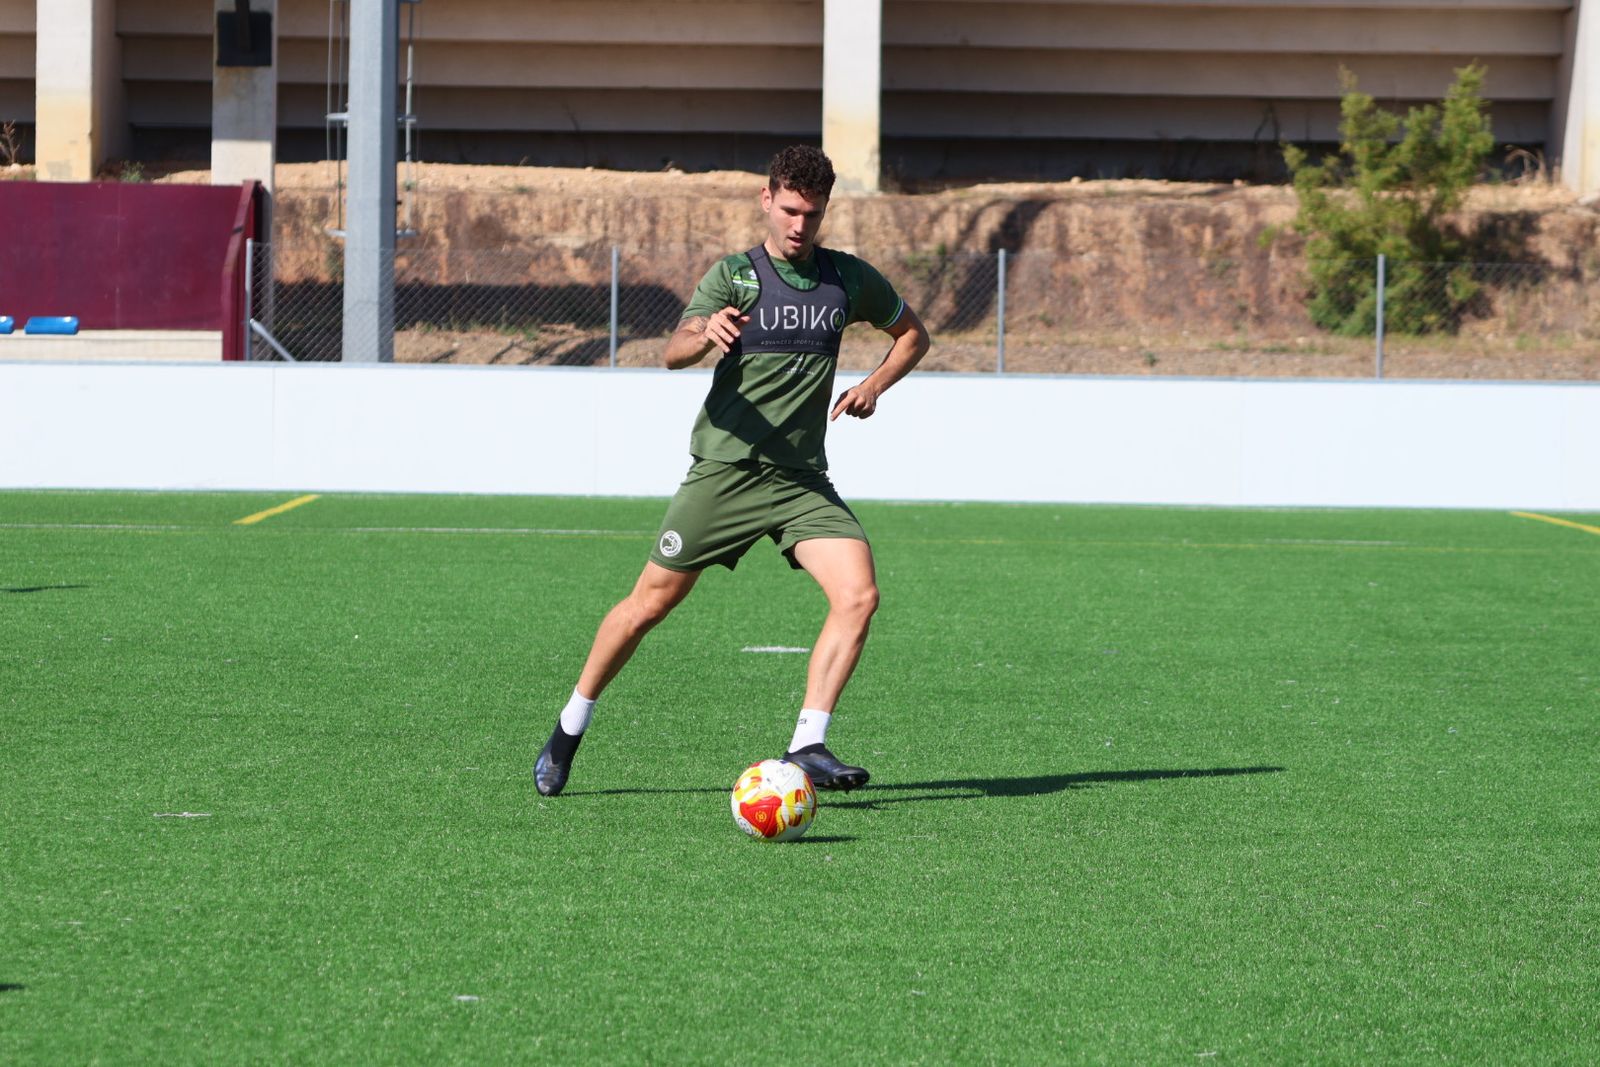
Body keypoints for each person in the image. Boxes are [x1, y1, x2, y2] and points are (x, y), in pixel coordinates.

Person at [534, 144, 930, 797]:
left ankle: (807, 742)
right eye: (790, 209)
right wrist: (705, 333)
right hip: (725, 472)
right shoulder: (735, 277)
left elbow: (912, 335)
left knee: (859, 594)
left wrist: (875, 385)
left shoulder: (848, 279)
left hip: (801, 480)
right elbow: (672, 352)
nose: (800, 225)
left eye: (813, 212)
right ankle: (568, 729)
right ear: (766, 200)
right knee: (647, 606)